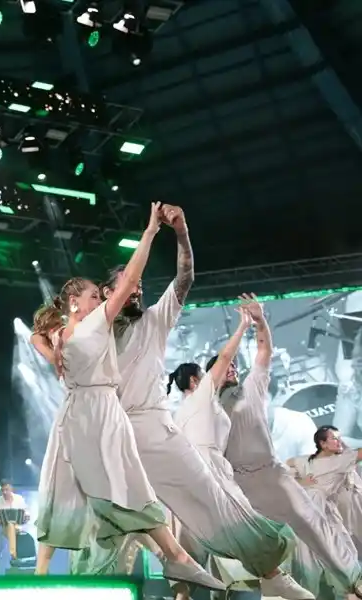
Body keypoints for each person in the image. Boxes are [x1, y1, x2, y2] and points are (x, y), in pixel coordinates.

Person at [85, 205, 311, 599]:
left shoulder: (155, 320)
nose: (137, 289)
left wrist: (182, 233)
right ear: (108, 292)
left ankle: (269, 571)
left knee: (208, 500)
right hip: (110, 435)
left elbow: (185, 277)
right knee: (106, 523)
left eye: (140, 286)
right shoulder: (94, 330)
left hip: (153, 431)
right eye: (129, 284)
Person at [30, 203, 222, 589]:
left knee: (69, 488)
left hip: (77, 413)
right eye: (91, 297)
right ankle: (178, 558)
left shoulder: (64, 335)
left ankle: (40, 575)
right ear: (75, 303)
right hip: (98, 413)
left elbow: (37, 335)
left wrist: (51, 355)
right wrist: (150, 231)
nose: (98, 302)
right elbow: (132, 274)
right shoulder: (93, 326)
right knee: (125, 486)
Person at [215, 298, 361, 598]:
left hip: (272, 474)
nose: (230, 371)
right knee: (256, 543)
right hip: (239, 485)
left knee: (314, 523)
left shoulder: (251, 389)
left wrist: (257, 321)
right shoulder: (202, 407)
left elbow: (264, 352)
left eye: (233, 368)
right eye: (223, 368)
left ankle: (354, 581)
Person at [171, 303, 295, 593]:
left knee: (191, 549)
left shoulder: (183, 411)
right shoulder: (202, 395)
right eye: (207, 373)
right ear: (194, 380)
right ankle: (273, 577)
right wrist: (242, 325)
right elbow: (226, 356)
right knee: (243, 529)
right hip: (209, 472)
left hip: (191, 476)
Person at [286, 426, 362, 596]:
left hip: (325, 512)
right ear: (323, 443)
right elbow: (283, 469)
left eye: (340, 437)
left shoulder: (342, 459)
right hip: (306, 510)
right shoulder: (304, 461)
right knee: (313, 555)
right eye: (334, 438)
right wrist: (300, 481)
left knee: (342, 549)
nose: (339, 441)